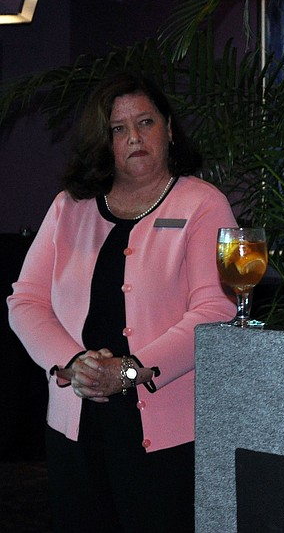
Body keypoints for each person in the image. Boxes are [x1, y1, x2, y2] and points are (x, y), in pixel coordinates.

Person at [7, 72, 237, 532]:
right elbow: (25, 301)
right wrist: (72, 363)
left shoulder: (202, 204)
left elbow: (216, 311)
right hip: (75, 426)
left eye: (146, 121)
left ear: (169, 129)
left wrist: (129, 371)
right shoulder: (69, 207)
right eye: (118, 128)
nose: (134, 137)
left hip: (166, 438)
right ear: (103, 140)